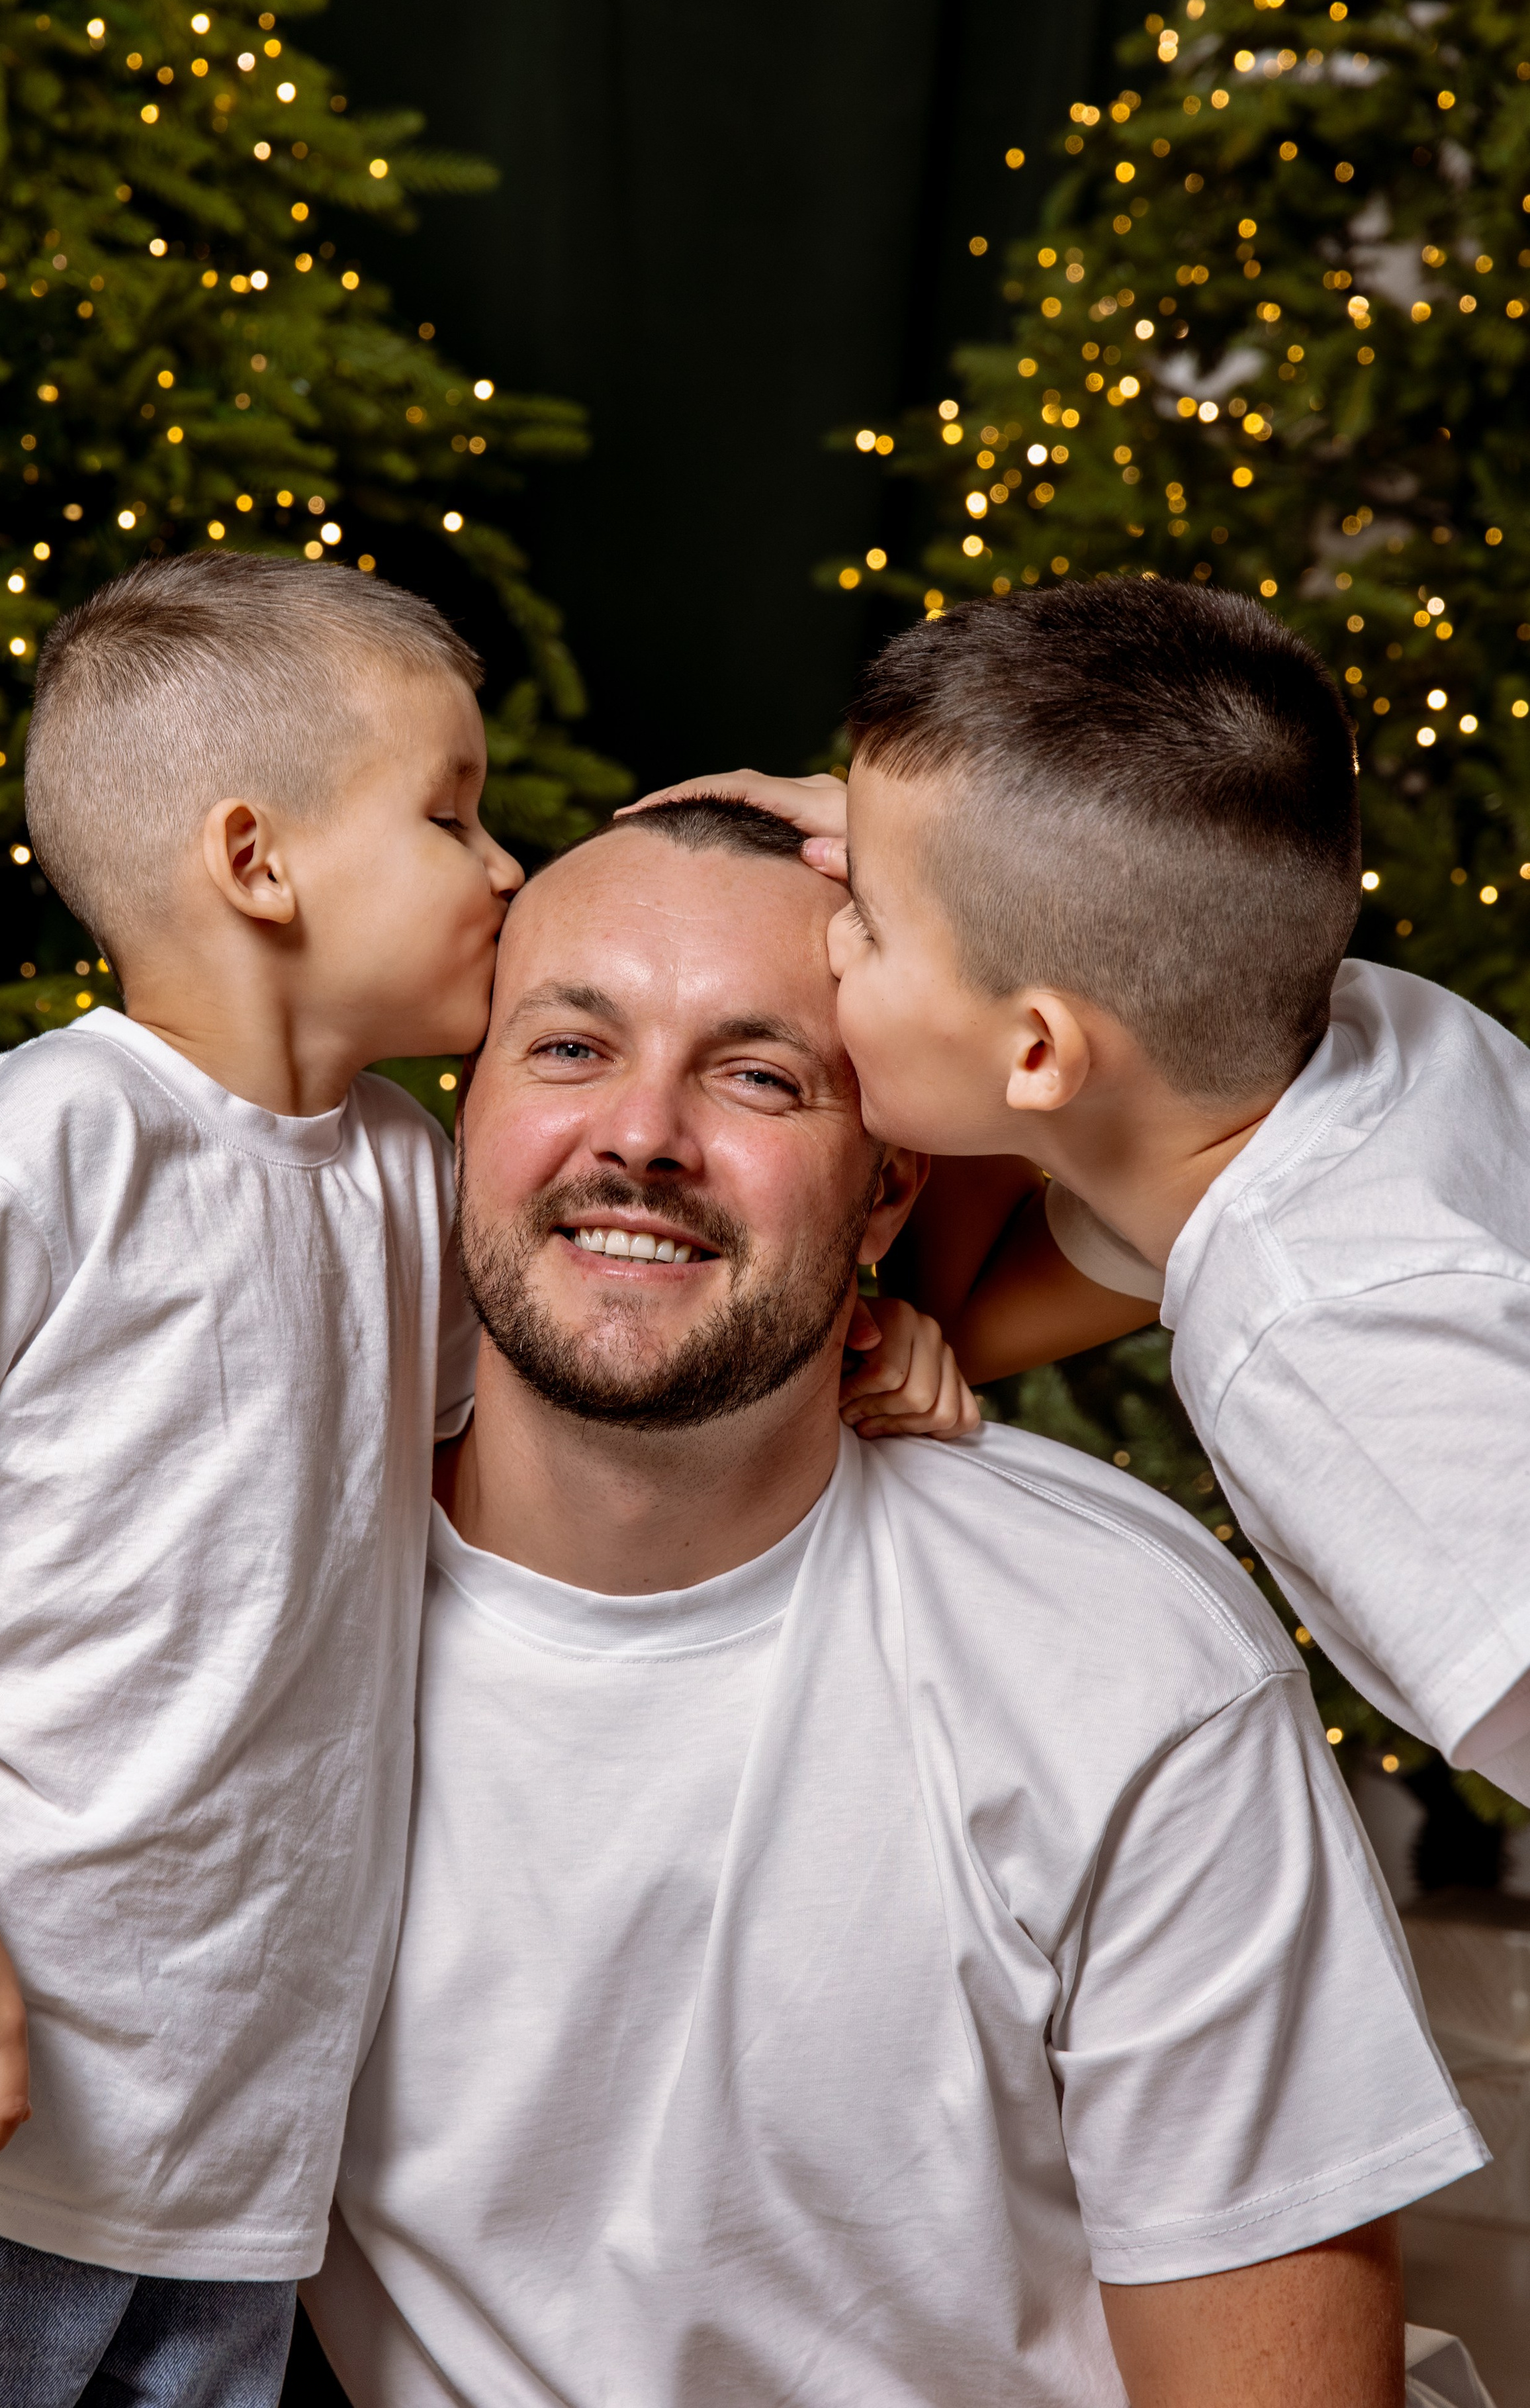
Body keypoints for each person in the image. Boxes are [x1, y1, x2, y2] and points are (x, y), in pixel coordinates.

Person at [303, 795, 1483, 2408]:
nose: (639, 1134)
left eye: (759, 1075)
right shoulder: (252, 1601)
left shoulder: (1116, 1658)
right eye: (568, 1049)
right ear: (463, 1119)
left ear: (884, 1192)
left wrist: (989, 854)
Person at [0, 554, 521, 2403]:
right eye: (454, 815)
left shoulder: (401, 1174)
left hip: (238, 2151)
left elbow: (502, 1469)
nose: (507, 867)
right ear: (257, 858)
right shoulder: (47, 1144)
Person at [636, 579, 1530, 1806]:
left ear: (1041, 1055)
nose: (832, 935)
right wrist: (935, 844)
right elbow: (976, 1311)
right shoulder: (1324, 1055)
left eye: (871, 926)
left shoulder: (1323, 1339)